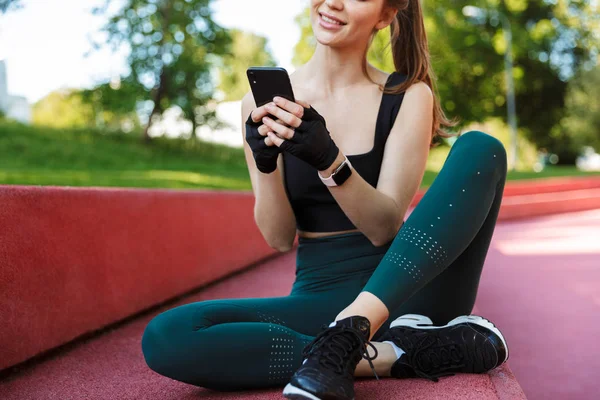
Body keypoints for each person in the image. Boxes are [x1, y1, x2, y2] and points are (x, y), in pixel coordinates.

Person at [141, 0, 510, 399]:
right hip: (320, 296)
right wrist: (266, 165)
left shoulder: (406, 95)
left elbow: (383, 227)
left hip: (408, 292)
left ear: (386, 16)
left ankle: (350, 330)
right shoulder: (262, 104)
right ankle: (394, 354)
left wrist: (330, 160)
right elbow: (280, 238)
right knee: (167, 335)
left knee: (481, 148)